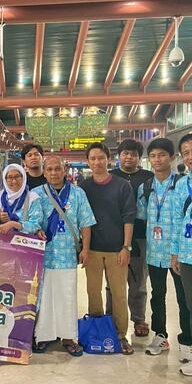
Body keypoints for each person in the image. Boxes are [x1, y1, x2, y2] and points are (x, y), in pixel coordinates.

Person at [33, 156, 96, 356]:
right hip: (44, 255)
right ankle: (44, 336)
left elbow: (85, 223)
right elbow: (29, 221)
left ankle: (68, 337)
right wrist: (35, 230)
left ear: (65, 170)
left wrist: (85, 249)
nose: (53, 173)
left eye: (57, 169)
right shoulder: (36, 194)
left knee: (67, 296)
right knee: (45, 297)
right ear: (44, 172)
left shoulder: (78, 194)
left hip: (68, 254)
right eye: (49, 169)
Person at [136, 138, 191, 358]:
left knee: (184, 296)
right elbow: (141, 215)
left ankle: (187, 339)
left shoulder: (181, 184)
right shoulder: (145, 187)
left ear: (172, 157)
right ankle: (160, 335)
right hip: (154, 251)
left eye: (162, 155)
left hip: (180, 252)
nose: (157, 160)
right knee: (157, 294)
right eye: (153, 156)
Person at [80, 142, 136, 355]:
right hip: (93, 250)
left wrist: (126, 247)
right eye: (93, 158)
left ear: (109, 159)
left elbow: (128, 218)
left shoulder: (122, 186)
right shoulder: (84, 187)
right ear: (88, 162)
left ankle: (121, 335)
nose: (97, 162)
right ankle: (97, 331)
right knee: (93, 292)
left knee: (120, 294)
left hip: (116, 250)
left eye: (101, 158)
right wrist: (83, 248)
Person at [108, 139, 153, 337]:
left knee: (139, 281)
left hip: (141, 236)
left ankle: (139, 318)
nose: (129, 157)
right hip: (114, 237)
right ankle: (111, 318)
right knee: (112, 282)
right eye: (125, 153)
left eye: (133, 154)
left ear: (139, 157)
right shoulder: (111, 177)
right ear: (119, 156)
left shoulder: (148, 177)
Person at [171, 134, 192, 375]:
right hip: (187, 255)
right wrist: (175, 254)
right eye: (186, 152)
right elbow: (176, 222)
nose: (190, 156)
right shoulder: (181, 186)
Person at [0, 164, 42, 235]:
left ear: (23, 177)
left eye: (17, 176)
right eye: (10, 177)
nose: (14, 181)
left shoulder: (32, 198)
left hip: (23, 242)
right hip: (2, 241)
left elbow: (35, 226)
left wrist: (13, 224)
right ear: (5, 179)